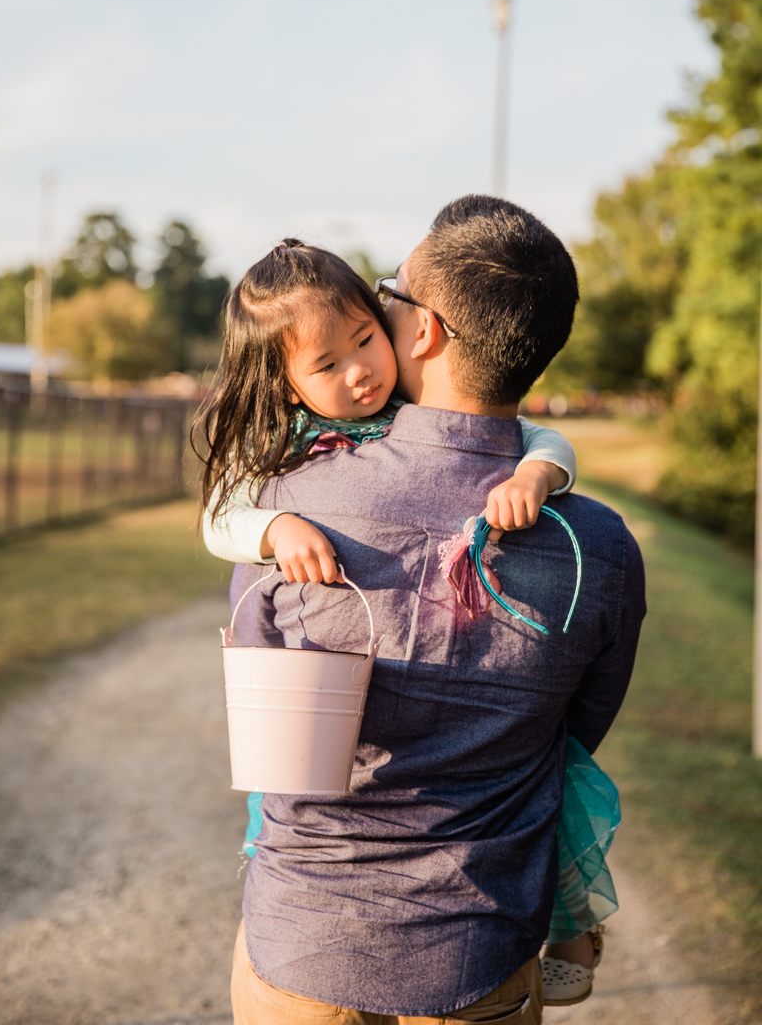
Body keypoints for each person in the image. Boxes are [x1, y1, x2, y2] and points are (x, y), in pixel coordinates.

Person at [211, 195, 646, 1023]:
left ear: (425, 332)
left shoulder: (288, 508)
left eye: (387, 296)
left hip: (304, 945)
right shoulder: (600, 548)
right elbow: (579, 731)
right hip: (476, 955)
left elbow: (264, 723)